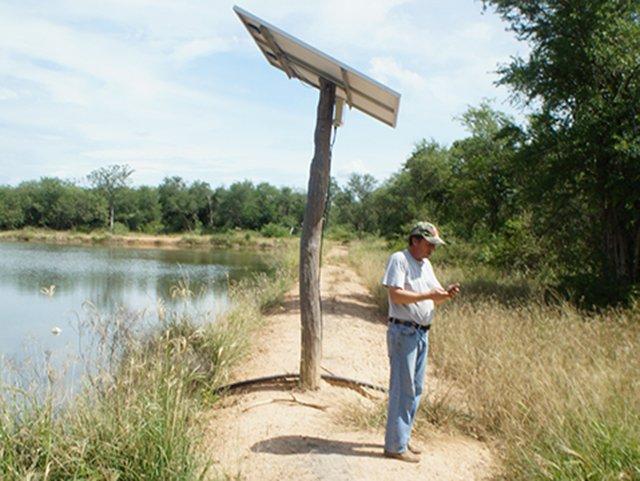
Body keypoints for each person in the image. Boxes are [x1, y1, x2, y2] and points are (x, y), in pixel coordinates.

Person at [381, 221, 460, 463]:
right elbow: (395, 294)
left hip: (421, 333)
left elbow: (435, 298)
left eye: (434, 245)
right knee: (402, 389)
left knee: (415, 389)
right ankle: (395, 445)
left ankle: (402, 437)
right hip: (404, 332)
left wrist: (446, 295)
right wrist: (429, 295)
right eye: (429, 244)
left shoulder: (426, 265)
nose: (432, 249)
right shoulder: (399, 259)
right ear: (415, 240)